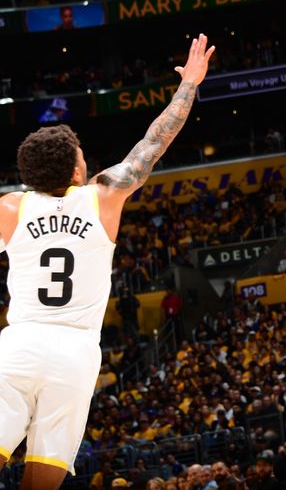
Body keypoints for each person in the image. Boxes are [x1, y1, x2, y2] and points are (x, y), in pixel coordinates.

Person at [0, 33, 214, 489]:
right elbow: (151, 144)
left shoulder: (11, 208)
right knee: (44, 473)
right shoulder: (103, 196)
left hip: (19, 344)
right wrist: (188, 85)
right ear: (77, 170)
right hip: (76, 353)